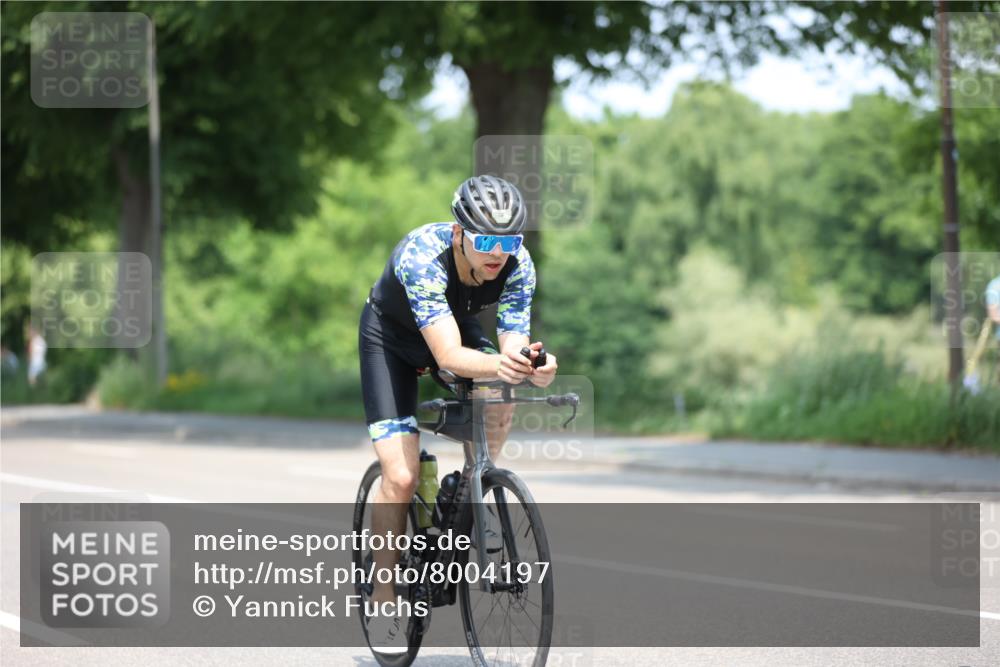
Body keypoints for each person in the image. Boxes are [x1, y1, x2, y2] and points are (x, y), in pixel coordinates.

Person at [358, 175, 558, 651]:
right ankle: (385, 598)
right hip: (391, 341)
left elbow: (511, 339)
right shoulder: (422, 258)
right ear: (457, 234)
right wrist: (500, 365)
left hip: (457, 326)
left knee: (500, 395)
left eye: (509, 240)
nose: (498, 253)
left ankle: (473, 485)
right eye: (486, 240)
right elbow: (447, 356)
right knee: (402, 476)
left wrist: (533, 365)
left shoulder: (519, 266)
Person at [26, 323, 47, 387]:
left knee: (34, 384)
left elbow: (32, 354)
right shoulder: (38, 340)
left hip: (36, 365)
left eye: (30, 331)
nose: (29, 333)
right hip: (37, 365)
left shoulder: (37, 341)